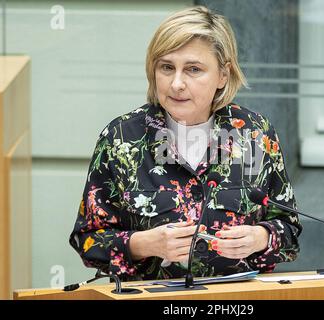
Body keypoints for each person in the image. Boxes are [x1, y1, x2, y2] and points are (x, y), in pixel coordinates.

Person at [69, 6, 302, 281]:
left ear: (223, 75)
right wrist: (144, 244)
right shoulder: (121, 138)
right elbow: (87, 240)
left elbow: (289, 230)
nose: (177, 83)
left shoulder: (255, 134)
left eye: (193, 69)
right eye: (167, 67)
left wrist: (261, 238)